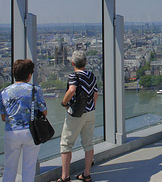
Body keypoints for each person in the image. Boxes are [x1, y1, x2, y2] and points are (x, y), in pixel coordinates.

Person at [53, 50, 98, 182]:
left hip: (76, 114)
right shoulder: (91, 75)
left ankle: (65, 177)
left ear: (72, 63)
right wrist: (91, 107)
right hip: (90, 112)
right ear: (85, 62)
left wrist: (64, 103)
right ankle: (86, 174)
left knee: (66, 144)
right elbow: (95, 95)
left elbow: (71, 90)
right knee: (88, 144)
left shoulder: (74, 76)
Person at [0, 59, 47, 182]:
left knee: (9, 168)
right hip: (31, 132)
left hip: (11, 132)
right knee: (29, 168)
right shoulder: (35, 90)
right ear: (29, 75)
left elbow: (3, 117)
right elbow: (44, 112)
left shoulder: (5, 92)